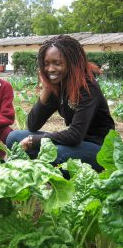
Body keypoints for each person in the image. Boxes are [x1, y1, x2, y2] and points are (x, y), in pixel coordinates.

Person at [6, 35, 115, 173]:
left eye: (57, 63)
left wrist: (33, 141)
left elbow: (75, 135)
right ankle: (41, 171)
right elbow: (32, 125)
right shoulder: (58, 85)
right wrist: (46, 89)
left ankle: (40, 171)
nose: (50, 69)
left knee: (58, 154)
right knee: (14, 138)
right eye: (46, 63)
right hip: (74, 144)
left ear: (71, 62)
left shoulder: (87, 86)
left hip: (98, 148)